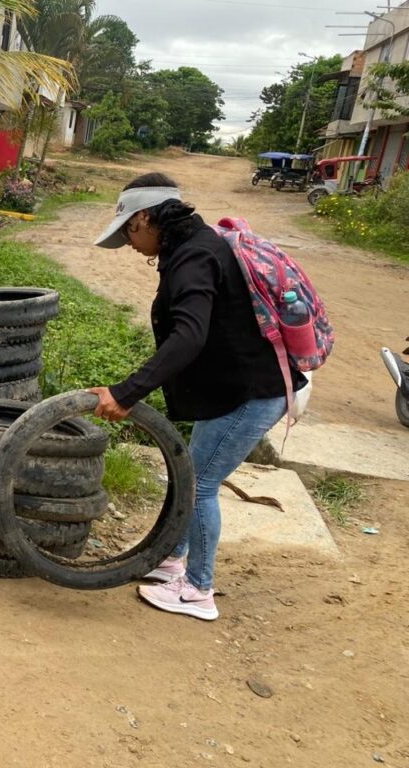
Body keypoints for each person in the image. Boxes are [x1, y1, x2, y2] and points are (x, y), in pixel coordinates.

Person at [88, 172, 305, 621]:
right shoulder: (193, 247)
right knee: (190, 475)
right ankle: (172, 560)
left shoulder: (194, 257)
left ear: (147, 217)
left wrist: (126, 393)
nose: (129, 241)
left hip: (252, 393)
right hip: (233, 389)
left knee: (200, 485)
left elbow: (188, 337)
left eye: (129, 228)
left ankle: (198, 590)